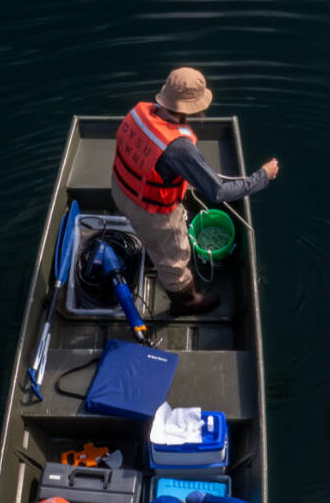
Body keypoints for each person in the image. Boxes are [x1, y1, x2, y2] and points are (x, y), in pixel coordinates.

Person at [111, 66, 279, 316]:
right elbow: (218, 192)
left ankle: (151, 245)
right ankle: (185, 301)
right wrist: (262, 177)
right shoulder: (180, 148)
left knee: (154, 240)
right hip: (152, 213)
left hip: (121, 191)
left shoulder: (139, 112)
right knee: (175, 257)